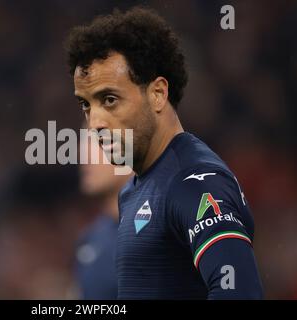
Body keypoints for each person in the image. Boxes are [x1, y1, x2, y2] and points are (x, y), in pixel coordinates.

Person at [65, 7, 263, 299]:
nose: (95, 123)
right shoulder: (134, 191)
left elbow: (240, 292)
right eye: (86, 104)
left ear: (157, 93)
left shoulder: (195, 182)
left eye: (109, 99)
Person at [75, 132, 131, 299]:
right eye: (84, 140)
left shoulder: (168, 231)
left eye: (99, 141)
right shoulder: (90, 239)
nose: (83, 151)